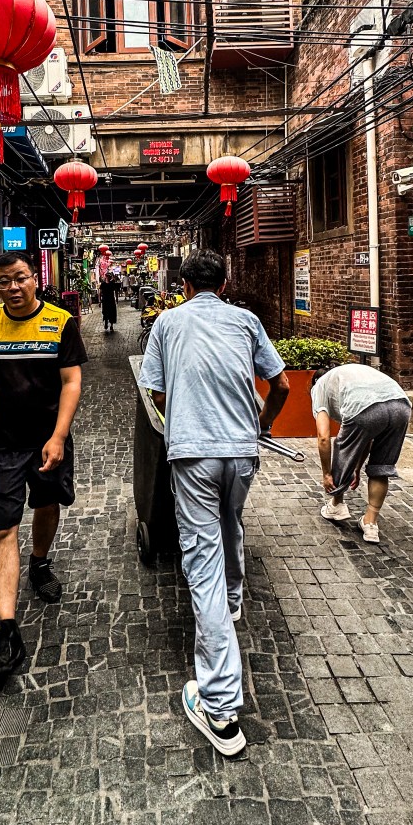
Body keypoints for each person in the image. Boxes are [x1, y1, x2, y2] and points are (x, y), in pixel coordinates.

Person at [139, 249, 290, 757]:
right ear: (223, 285)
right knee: (232, 521)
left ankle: (220, 708)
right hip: (241, 451)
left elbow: (157, 393)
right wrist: (262, 424)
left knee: (201, 562)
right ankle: (233, 598)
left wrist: (186, 412)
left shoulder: (167, 323)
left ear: (184, 286)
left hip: (193, 453)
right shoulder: (246, 321)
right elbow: (281, 383)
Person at [0, 252, 88, 691]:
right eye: (4, 281)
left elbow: (71, 381)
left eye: (20, 278)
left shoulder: (59, 322)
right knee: (2, 527)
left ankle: (39, 562)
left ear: (34, 279)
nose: (13, 287)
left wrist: (58, 436)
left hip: (47, 436)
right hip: (1, 442)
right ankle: (6, 628)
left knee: (47, 501)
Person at [312, 362, 413, 544]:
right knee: (381, 467)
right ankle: (370, 523)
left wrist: (327, 474)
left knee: (342, 448)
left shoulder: (319, 385)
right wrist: (357, 468)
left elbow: (324, 437)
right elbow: (366, 436)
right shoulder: (352, 374)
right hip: (401, 406)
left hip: (365, 407)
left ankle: (336, 505)